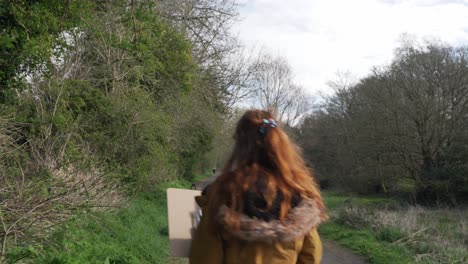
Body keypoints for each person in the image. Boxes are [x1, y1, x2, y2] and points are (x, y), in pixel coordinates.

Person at [189, 109, 327, 264]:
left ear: (241, 145)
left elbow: (205, 258)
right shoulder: (300, 195)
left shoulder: (224, 193)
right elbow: (311, 256)